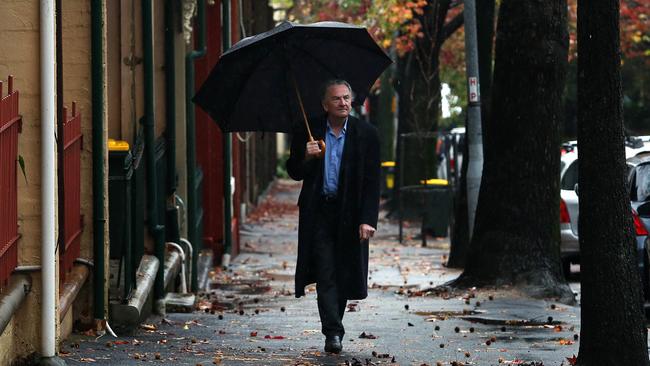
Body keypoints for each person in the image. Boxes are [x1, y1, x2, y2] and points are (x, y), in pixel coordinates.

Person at [286, 79, 381, 354]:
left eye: (347, 98)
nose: (343, 103)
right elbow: (294, 171)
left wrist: (368, 219)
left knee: (342, 273)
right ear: (325, 104)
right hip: (319, 212)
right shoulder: (308, 130)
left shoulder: (367, 134)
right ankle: (333, 332)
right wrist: (306, 156)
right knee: (325, 271)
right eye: (337, 99)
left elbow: (372, 181)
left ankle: (334, 324)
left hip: (350, 214)